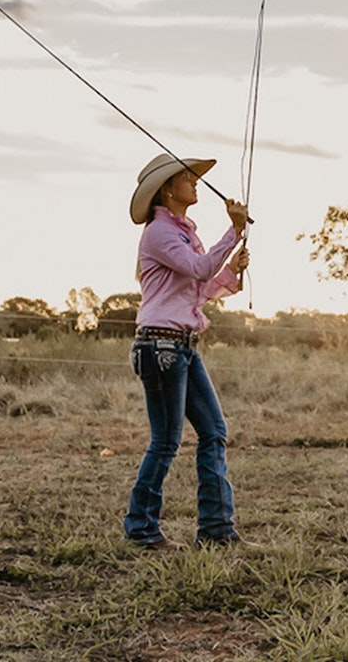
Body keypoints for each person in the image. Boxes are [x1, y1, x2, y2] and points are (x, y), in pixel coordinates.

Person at [124, 153, 250, 551]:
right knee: (165, 442)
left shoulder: (182, 234)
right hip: (160, 346)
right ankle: (142, 530)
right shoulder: (160, 233)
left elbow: (197, 288)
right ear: (167, 189)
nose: (195, 182)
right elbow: (198, 269)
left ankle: (216, 531)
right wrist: (232, 232)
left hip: (180, 346)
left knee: (214, 432)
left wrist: (231, 271)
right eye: (187, 178)